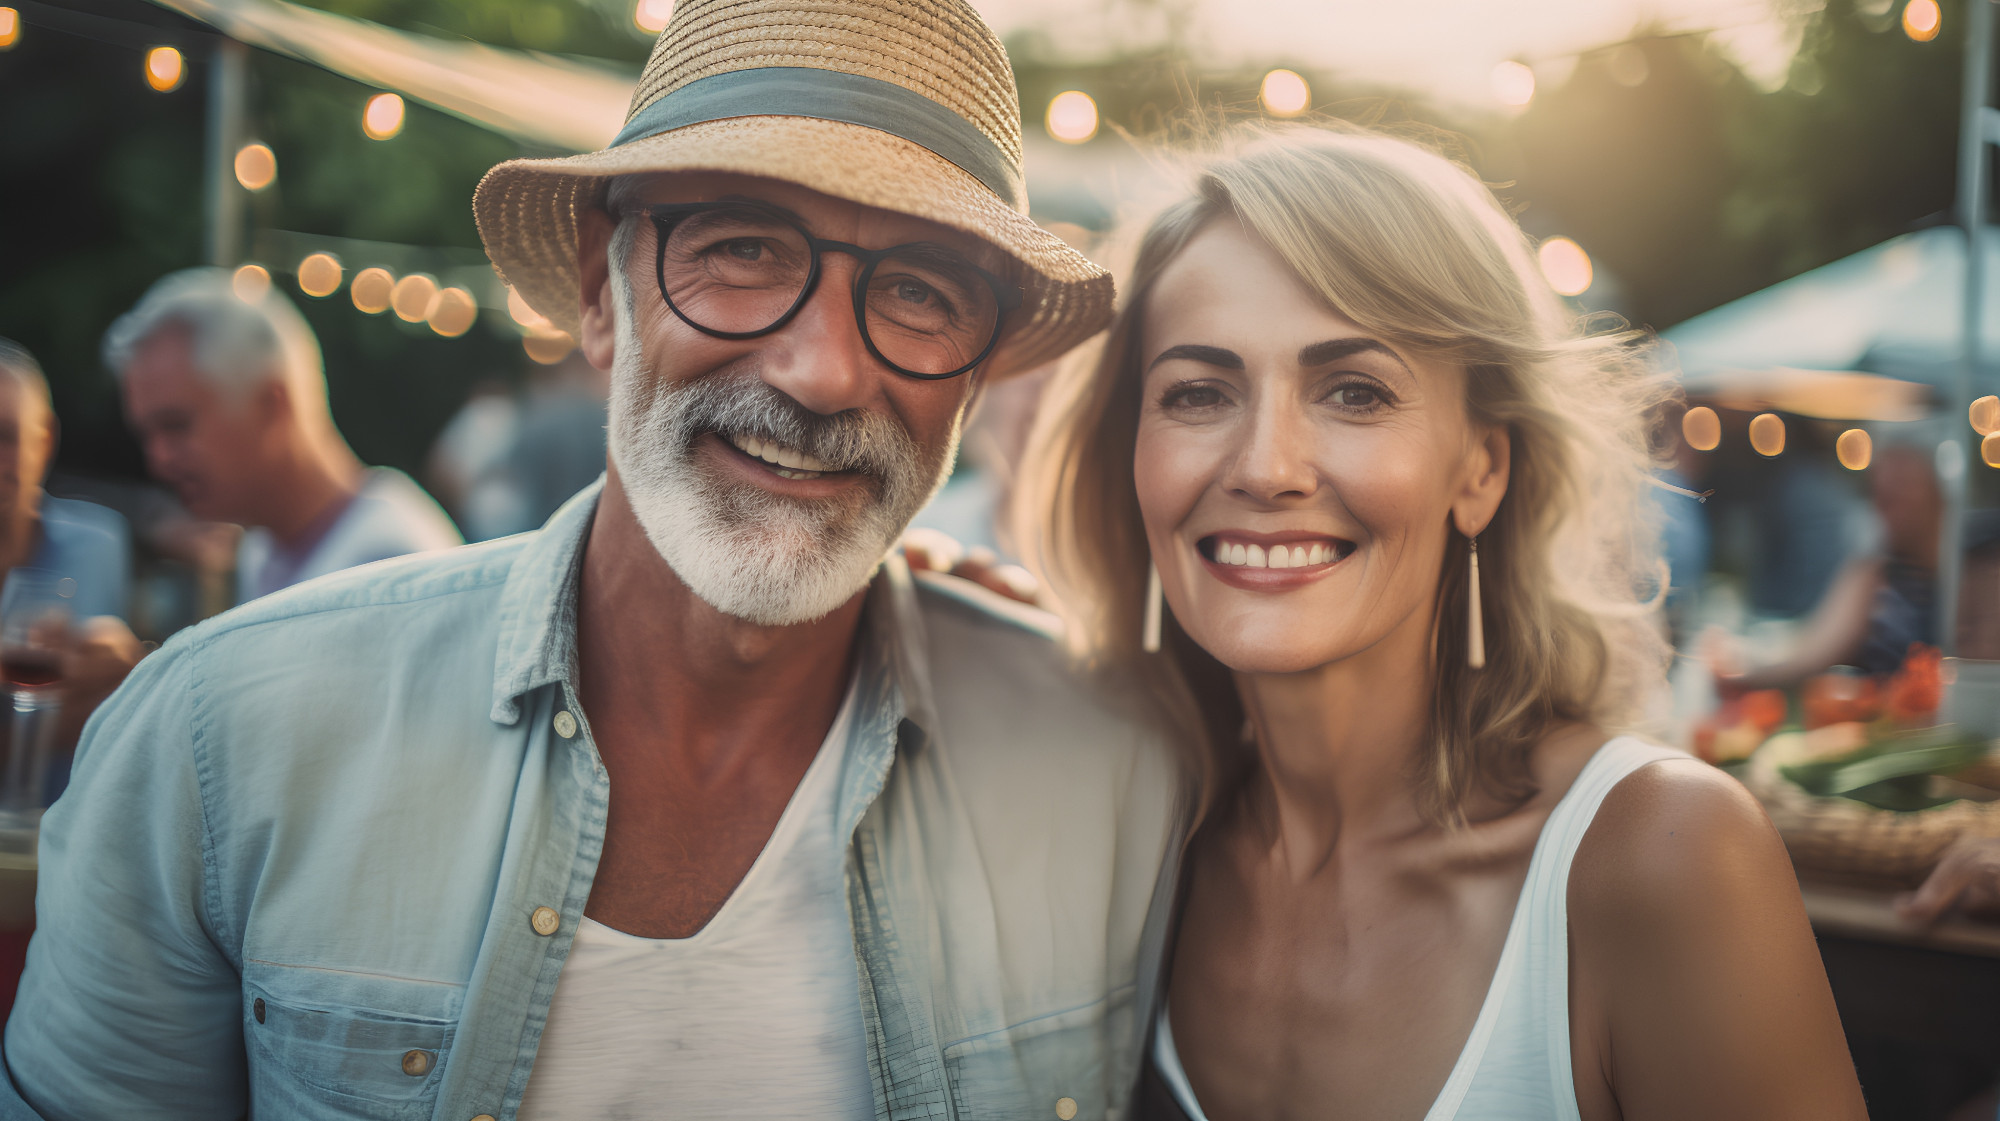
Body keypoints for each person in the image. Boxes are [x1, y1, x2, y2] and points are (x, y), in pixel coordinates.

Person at [2, 2, 1180, 1118]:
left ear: (971, 381)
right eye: (745, 248)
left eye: (923, 292)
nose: (822, 371)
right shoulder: (221, 740)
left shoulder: (1115, 765)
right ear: (598, 296)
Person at [1018, 127, 1866, 1120]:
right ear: (1131, 458)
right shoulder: (1136, 847)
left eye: (1353, 391)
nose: (1264, 464)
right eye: (1198, 392)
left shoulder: (1658, 856)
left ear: (1480, 470)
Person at [103, 269, 462, 603]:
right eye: (146, 434)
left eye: (176, 425)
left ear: (271, 405)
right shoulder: (266, 545)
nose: (158, 458)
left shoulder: (392, 565)